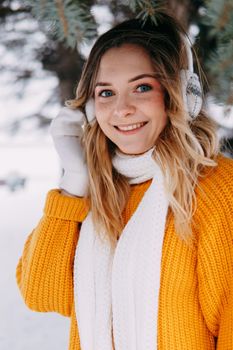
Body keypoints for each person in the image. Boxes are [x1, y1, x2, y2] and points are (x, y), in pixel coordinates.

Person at [16, 10, 233, 350]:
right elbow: (41, 293)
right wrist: (74, 180)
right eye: (106, 93)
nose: (122, 109)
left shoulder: (214, 188)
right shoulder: (96, 189)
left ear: (179, 94)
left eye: (142, 87)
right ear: (88, 106)